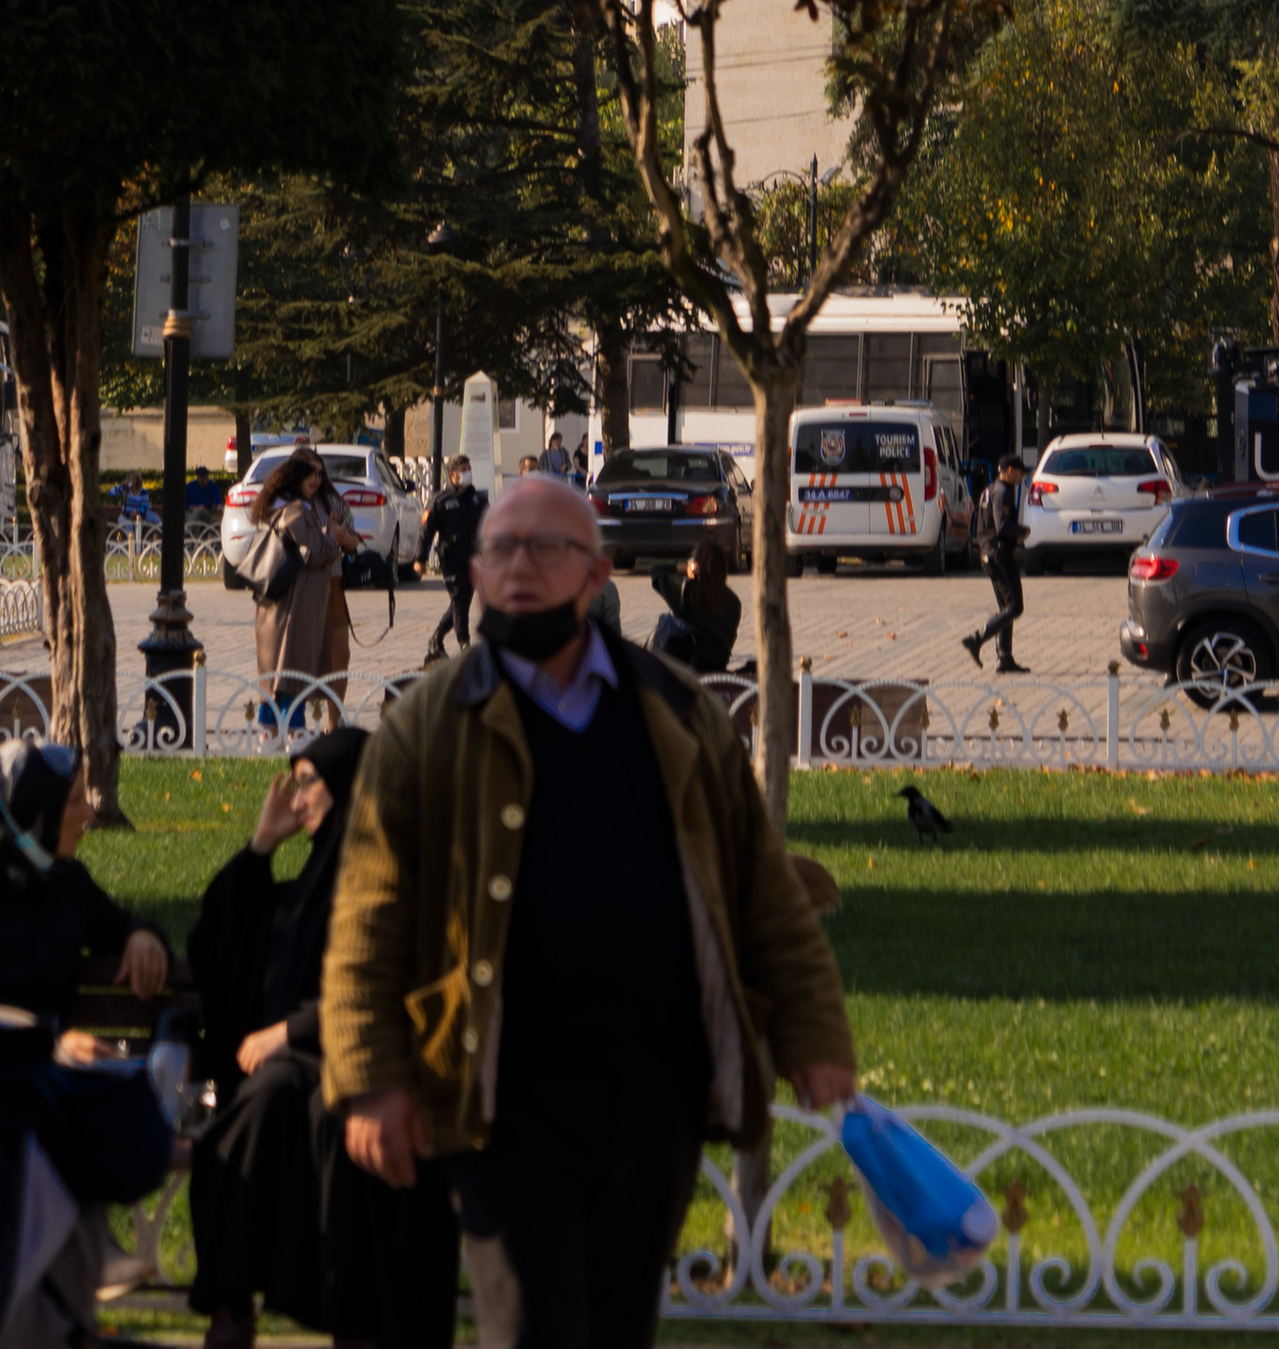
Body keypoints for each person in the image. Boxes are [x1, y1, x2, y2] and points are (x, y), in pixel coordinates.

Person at [321, 475, 856, 1349]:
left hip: (655, 1091)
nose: (517, 567)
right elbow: (369, 914)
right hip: (502, 1094)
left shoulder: (678, 711)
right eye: (499, 549)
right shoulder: (429, 720)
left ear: (596, 575)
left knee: (617, 1325)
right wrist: (371, 1077)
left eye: (546, 549)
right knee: (535, 1326)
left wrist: (816, 1037)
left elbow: (760, 887)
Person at [187, 736, 457, 1349]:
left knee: (300, 1107)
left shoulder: (391, 877)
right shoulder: (308, 882)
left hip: (371, 1063)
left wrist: (291, 1032)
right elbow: (221, 942)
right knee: (269, 1103)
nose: (297, 796)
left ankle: (313, 1312)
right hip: (298, 1071)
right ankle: (235, 1302)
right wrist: (261, 845)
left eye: (309, 782)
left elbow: (398, 980)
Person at [0, 739, 174, 1208]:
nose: (90, 814)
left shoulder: (66, 883)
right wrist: (48, 1045)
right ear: (38, 811)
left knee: (136, 1126)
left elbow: (117, 923)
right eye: (74, 801)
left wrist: (142, 935)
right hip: (16, 1076)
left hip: (43, 1081)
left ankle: (68, 1258)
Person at [246, 451, 360, 736]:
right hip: (294, 600)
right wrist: (333, 538)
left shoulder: (298, 506)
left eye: (321, 475)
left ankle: (276, 731)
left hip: (293, 597)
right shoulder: (295, 511)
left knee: (285, 667)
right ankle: (290, 733)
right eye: (312, 477)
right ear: (297, 479)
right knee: (291, 668)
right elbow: (314, 553)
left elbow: (339, 541)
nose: (318, 481)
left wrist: (340, 538)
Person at [961, 453, 1026, 674]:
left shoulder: (989, 490)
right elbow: (1002, 526)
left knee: (1005, 608)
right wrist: (1022, 532)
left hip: (987, 553)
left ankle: (1004, 658)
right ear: (1009, 470)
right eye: (1019, 471)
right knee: (1015, 607)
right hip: (1000, 554)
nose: (1021, 476)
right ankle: (977, 638)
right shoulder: (1003, 492)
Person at [419, 459, 484, 664]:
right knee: (458, 598)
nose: (467, 473)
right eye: (462, 470)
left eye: (469, 469)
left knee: (462, 600)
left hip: (473, 559)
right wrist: (420, 559)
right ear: (451, 474)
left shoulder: (478, 500)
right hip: (451, 559)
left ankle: (436, 638)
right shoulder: (441, 501)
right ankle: (464, 643)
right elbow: (426, 531)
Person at [646, 543, 740, 678]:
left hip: (689, 669)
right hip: (718, 668)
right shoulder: (734, 602)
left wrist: (685, 568)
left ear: (697, 566)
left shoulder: (687, 591)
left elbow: (655, 569)